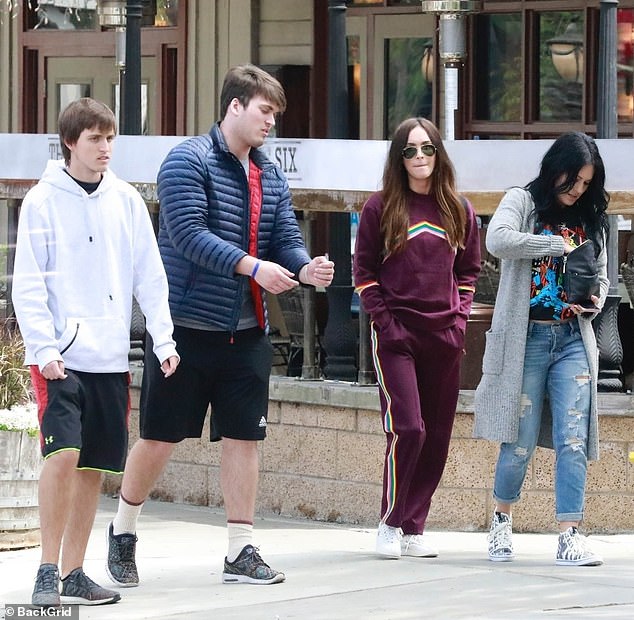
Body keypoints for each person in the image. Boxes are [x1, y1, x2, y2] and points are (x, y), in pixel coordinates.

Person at [106, 63, 334, 587]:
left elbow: (283, 236)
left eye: (275, 113)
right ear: (235, 106)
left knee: (244, 438)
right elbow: (187, 234)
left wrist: (302, 267)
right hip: (184, 327)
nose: (271, 122)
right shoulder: (188, 160)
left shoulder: (268, 174)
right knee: (161, 437)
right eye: (265, 110)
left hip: (247, 330)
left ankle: (239, 549)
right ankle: (123, 529)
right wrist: (253, 266)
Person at [11, 98, 180, 608]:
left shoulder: (126, 199)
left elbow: (150, 276)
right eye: (95, 139)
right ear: (70, 142)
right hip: (59, 359)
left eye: (110, 138)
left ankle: (74, 572)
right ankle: (45, 571)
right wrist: (43, 349)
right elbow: (28, 284)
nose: (105, 148)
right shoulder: (41, 201)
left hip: (109, 357)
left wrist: (164, 338)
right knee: (61, 456)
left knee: (92, 467)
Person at [474, 131, 610, 566]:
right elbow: (497, 240)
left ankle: (570, 532)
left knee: (573, 437)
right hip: (527, 338)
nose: (577, 191)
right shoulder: (523, 201)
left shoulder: (591, 218)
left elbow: (602, 277)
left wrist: (594, 300)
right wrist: (555, 245)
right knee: (519, 439)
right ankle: (500, 521)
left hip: (573, 338)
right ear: (556, 169)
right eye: (573, 180)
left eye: (586, 184)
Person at [353, 117, 481, 559]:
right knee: (409, 428)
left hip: (444, 337)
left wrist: (459, 320)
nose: (420, 157)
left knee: (438, 434)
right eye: (410, 150)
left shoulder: (458, 209)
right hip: (396, 337)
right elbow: (363, 273)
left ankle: (414, 526)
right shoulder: (380, 206)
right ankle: (390, 521)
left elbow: (469, 272)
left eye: (427, 148)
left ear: (438, 152)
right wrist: (385, 323)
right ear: (398, 157)